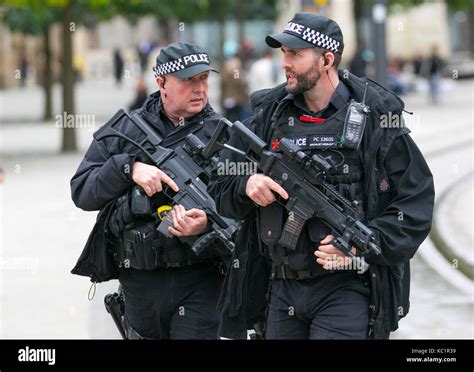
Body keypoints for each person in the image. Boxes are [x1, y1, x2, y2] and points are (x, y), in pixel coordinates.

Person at [208, 13, 435, 340]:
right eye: (284, 53)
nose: (285, 62)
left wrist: (360, 249)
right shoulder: (269, 115)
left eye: (295, 54)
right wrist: (246, 184)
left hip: (347, 288)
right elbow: (219, 184)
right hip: (280, 289)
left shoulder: (374, 118)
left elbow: (415, 205)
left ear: (327, 60)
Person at [71, 42, 228, 339]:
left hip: (201, 278)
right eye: (188, 80)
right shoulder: (128, 129)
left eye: (204, 78)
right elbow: (82, 190)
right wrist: (129, 169)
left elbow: (244, 204)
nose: (199, 89)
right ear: (161, 83)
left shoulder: (223, 134)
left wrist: (206, 221)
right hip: (140, 281)